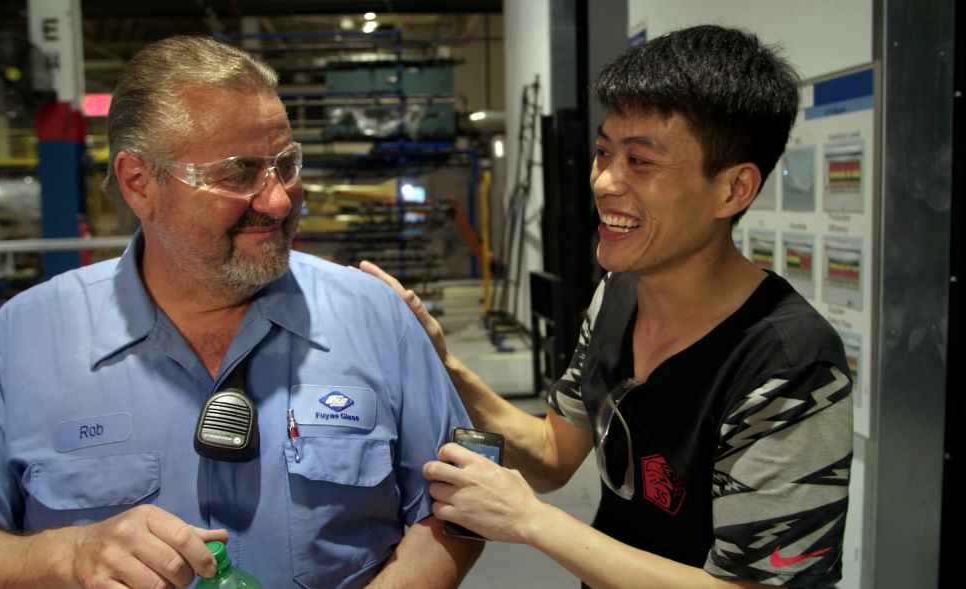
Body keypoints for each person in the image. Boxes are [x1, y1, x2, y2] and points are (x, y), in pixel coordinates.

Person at [0, 35, 481, 588]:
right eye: (237, 174)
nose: (279, 199)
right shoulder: (22, 341)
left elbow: (457, 513)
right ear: (140, 184)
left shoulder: (377, 317)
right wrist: (68, 555)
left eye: (286, 164)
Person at [362, 24, 853, 588]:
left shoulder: (790, 362)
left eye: (640, 162)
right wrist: (444, 365)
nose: (604, 181)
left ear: (733, 190)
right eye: (603, 152)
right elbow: (551, 455)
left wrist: (530, 521)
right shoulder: (617, 293)